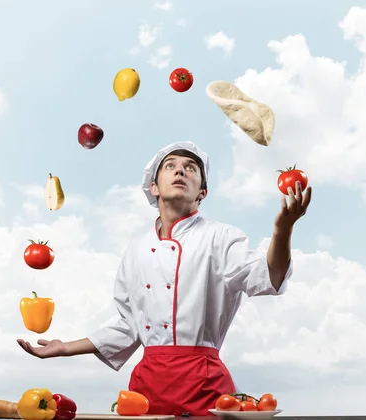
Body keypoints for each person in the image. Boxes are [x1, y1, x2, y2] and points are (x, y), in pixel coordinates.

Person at [17, 141, 312, 416]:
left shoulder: (221, 237)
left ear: (202, 193)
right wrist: (65, 347)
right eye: (170, 166)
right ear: (154, 187)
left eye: (191, 168)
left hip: (206, 386)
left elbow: (268, 277)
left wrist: (282, 230)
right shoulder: (135, 249)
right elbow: (129, 325)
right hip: (147, 387)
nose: (181, 170)